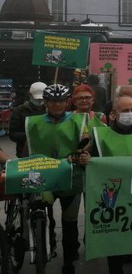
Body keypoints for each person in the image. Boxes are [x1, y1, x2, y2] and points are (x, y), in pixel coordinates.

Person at [85, 94, 132, 274]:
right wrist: (87, 160)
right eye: (125, 110)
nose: (130, 114)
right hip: (112, 198)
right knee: (114, 241)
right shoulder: (101, 137)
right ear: (113, 114)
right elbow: (93, 161)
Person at [25, 84, 88, 274]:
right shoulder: (34, 122)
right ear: (46, 102)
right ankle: (48, 241)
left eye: (61, 100)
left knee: (70, 222)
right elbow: (26, 147)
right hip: (43, 176)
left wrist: (79, 153)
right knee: (45, 215)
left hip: (71, 176)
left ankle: (69, 261)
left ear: (67, 101)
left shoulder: (78, 120)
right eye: (52, 100)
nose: (57, 104)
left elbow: (87, 142)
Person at [9, 81, 46, 157]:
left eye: (42, 98)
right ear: (29, 95)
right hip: (25, 154)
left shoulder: (51, 110)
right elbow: (13, 135)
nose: (39, 101)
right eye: (36, 98)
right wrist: (31, 136)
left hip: (47, 153)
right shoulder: (19, 111)